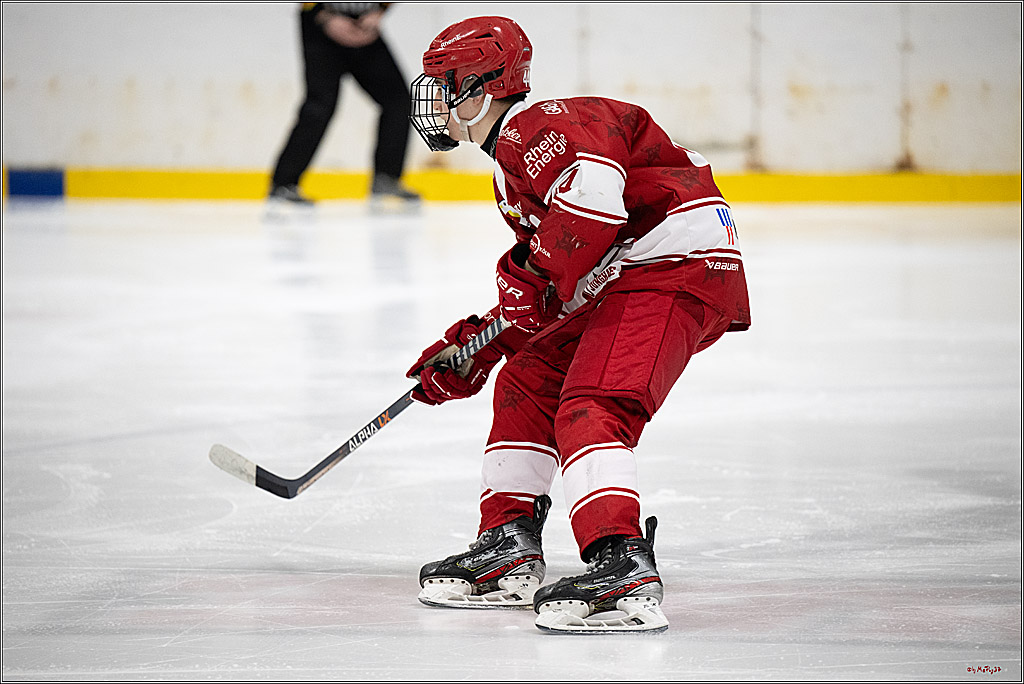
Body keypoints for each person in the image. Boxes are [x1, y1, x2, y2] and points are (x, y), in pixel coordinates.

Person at [404, 16, 750, 633]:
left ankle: (621, 565)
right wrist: (483, 345)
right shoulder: (512, 160)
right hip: (631, 270)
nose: (436, 106)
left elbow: (593, 204)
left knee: (592, 404)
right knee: (527, 380)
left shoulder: (544, 126)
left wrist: (531, 289)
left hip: (673, 265)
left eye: (444, 88)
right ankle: (507, 547)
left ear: (482, 89)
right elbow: (554, 286)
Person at [268, 2, 420, 205]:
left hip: (365, 26)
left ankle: (386, 177)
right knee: (320, 105)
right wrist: (323, 16)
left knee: (398, 100)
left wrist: (380, 11)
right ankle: (283, 183)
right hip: (320, 26)